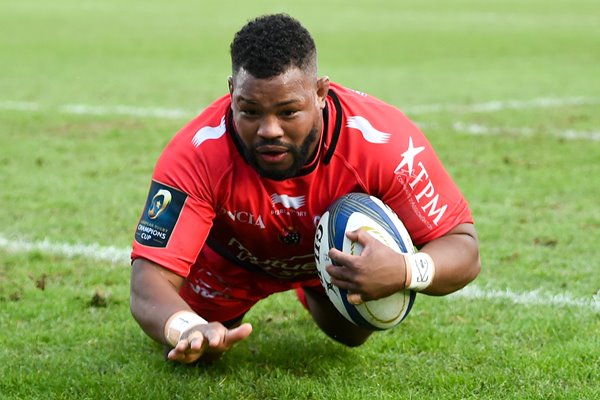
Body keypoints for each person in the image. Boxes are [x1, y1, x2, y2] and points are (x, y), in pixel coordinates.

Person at [130, 13, 480, 364]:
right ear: (232, 92)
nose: (269, 130)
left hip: (333, 264)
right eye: (250, 111)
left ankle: (313, 290)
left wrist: (405, 269)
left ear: (320, 93)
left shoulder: (383, 140)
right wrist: (185, 326)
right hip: (232, 263)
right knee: (193, 354)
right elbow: (148, 281)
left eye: (288, 112)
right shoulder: (196, 152)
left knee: (353, 333)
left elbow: (463, 248)